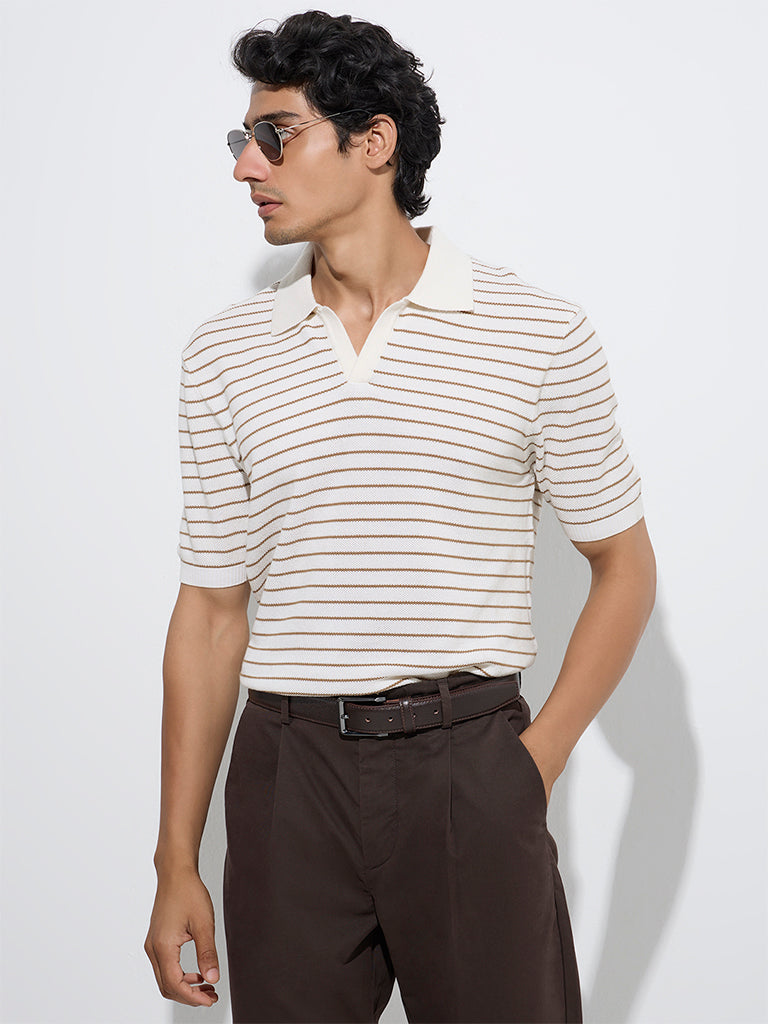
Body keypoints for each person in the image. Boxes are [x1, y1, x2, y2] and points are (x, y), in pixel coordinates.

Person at [144, 10, 657, 1023]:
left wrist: (531, 765)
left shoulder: (537, 333)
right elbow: (208, 614)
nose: (246, 166)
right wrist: (175, 860)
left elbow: (624, 565)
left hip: (468, 766)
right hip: (287, 779)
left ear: (373, 141)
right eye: (242, 138)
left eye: (276, 134)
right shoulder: (224, 354)